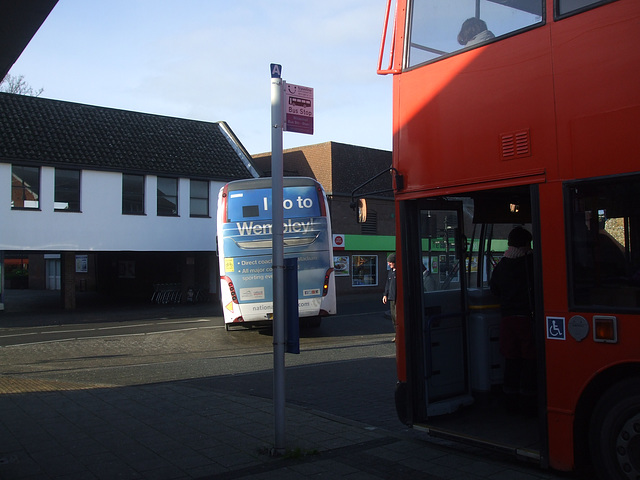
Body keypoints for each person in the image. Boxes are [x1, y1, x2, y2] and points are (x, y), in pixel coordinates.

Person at [489, 226, 536, 414]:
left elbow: (494, 289)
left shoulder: (502, 265)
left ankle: (510, 399)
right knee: (530, 360)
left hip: (507, 318)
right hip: (527, 317)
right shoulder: (531, 262)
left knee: (511, 359)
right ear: (526, 244)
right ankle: (529, 401)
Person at [382, 253, 397, 342]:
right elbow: (388, 284)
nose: (389, 264)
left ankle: (400, 335)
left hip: (398, 299)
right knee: (393, 318)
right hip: (391, 298)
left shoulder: (399, 272)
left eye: (390, 262)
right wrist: (385, 295)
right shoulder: (390, 272)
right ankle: (396, 334)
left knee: (398, 318)